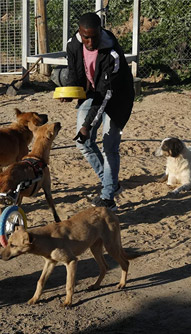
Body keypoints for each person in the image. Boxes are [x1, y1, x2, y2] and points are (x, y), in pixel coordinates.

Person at [62, 12, 135, 211]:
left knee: (109, 146)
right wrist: (70, 91)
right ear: (80, 33)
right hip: (93, 94)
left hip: (117, 100)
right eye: (86, 36)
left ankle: (108, 199)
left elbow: (106, 95)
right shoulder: (73, 45)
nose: (90, 41)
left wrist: (87, 125)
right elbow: (75, 74)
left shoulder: (111, 54)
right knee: (82, 142)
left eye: (94, 36)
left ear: (100, 31)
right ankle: (111, 184)